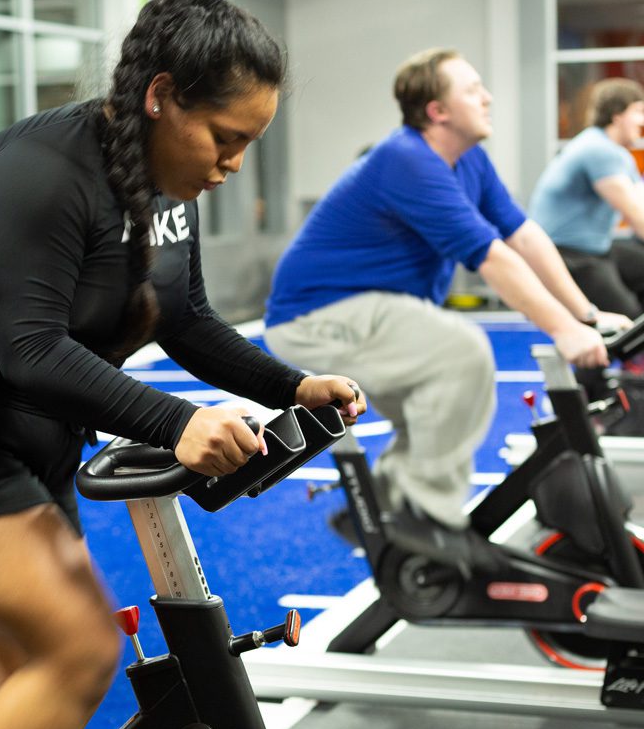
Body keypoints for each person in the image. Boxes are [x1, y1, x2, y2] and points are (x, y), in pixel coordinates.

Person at [0, 0, 364, 729]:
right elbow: (31, 350)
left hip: (31, 444)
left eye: (248, 145)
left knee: (28, 661)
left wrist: (289, 385)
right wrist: (179, 420)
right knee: (79, 652)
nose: (232, 165)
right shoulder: (41, 172)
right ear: (161, 96)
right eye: (224, 138)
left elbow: (186, 319)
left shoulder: (164, 189)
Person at [264, 47, 628, 550]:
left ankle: (379, 512)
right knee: (462, 356)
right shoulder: (407, 159)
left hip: (367, 312)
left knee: (438, 407)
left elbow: (524, 236)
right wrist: (564, 331)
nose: (489, 97)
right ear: (438, 111)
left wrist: (585, 314)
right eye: (473, 89)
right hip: (319, 316)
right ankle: (423, 519)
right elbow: (494, 259)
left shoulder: (468, 160)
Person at [529, 77, 644, 322]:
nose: (642, 121)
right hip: (567, 256)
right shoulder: (598, 150)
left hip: (596, 249)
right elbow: (635, 214)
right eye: (638, 112)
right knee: (630, 321)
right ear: (617, 115)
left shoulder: (616, 153)